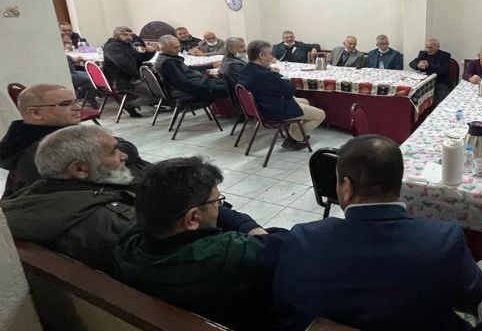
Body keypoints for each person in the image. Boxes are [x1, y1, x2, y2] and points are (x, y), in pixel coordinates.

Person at [269, 135, 482, 331]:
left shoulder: (303, 240)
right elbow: (471, 297)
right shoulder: (445, 238)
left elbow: (285, 302)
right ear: (398, 183)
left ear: (346, 187)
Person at [113, 157, 276, 331]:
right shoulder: (228, 253)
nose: (219, 207)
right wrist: (250, 228)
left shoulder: (128, 245)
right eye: (217, 202)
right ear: (192, 218)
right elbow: (285, 242)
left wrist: (241, 223)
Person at [0, 126, 135, 273]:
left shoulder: (32, 198)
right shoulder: (112, 223)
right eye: (114, 152)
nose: (124, 156)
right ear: (79, 169)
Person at [0, 84, 149, 197]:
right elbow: (84, 195)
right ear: (36, 113)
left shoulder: (54, 133)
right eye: (65, 104)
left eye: (75, 101)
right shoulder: (44, 151)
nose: (77, 107)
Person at [238, 40, 326, 149]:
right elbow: (290, 90)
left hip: (260, 107)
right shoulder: (267, 76)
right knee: (320, 114)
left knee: (305, 101)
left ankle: (296, 132)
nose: (272, 57)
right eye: (270, 54)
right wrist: (280, 77)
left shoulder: (245, 69)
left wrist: (269, 70)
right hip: (273, 110)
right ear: (261, 55)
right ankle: (294, 138)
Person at [155, 35, 228, 103]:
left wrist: (210, 66)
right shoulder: (169, 63)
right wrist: (208, 87)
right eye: (175, 48)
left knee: (227, 82)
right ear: (163, 49)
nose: (179, 49)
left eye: (178, 46)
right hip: (191, 90)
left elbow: (187, 69)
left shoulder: (165, 59)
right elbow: (184, 83)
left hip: (196, 83)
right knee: (229, 86)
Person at [102, 25, 157, 116]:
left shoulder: (126, 44)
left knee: (159, 88)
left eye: (131, 35)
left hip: (129, 77)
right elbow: (124, 65)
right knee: (158, 92)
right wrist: (139, 77)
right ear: (116, 35)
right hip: (121, 81)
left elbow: (140, 58)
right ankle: (129, 106)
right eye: (125, 35)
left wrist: (150, 52)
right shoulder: (112, 47)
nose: (129, 37)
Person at [409, 37, 452, 104]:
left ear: (437, 47)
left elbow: (444, 70)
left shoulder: (445, 55)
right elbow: (411, 63)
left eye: (431, 47)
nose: (428, 49)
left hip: (439, 81)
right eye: (427, 47)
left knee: (443, 98)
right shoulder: (423, 53)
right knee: (411, 91)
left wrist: (429, 65)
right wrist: (418, 65)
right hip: (423, 81)